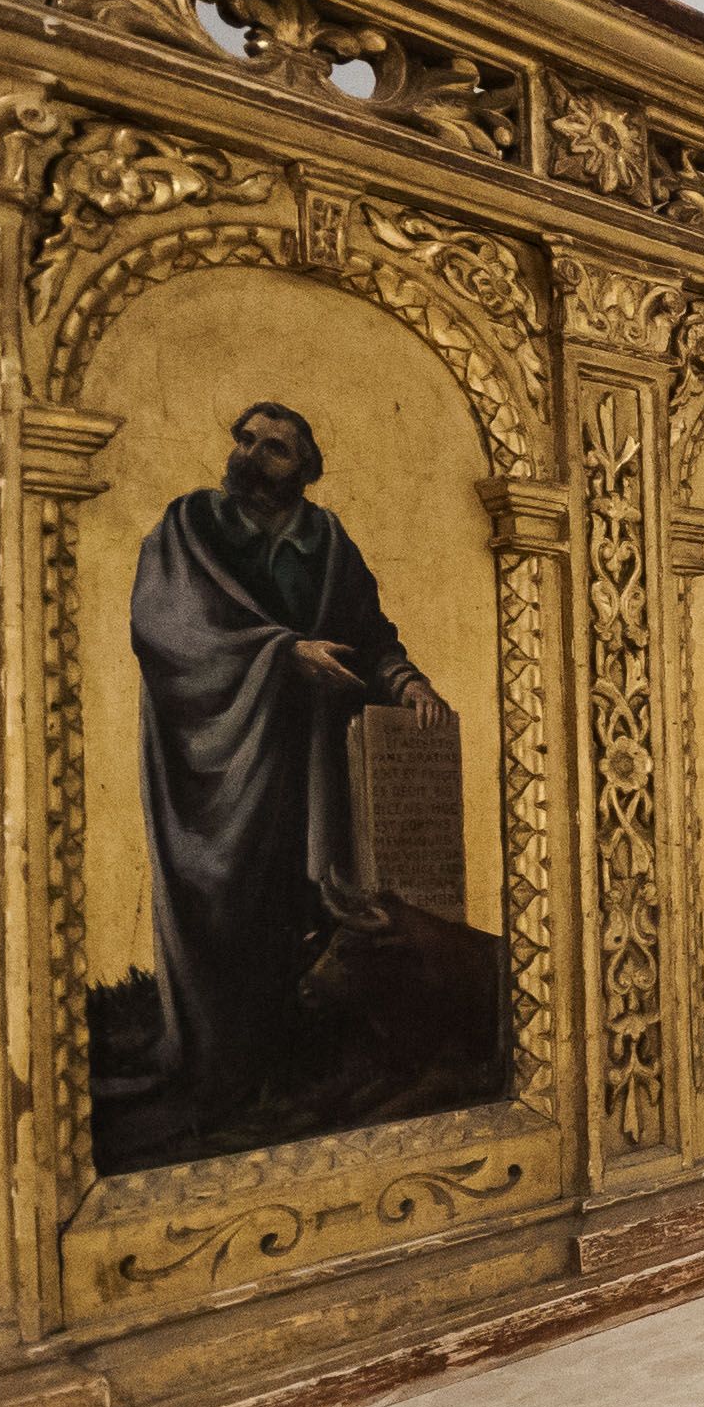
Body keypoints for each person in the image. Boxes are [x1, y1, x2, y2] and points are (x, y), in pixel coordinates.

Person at [120, 401, 451, 1105]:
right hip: (218, 763)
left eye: (274, 448)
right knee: (226, 904)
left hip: (306, 767)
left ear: (304, 468)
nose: (250, 454)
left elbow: (369, 633)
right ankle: (216, 1073)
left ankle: (291, 1073)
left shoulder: (327, 540)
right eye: (245, 439)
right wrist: (280, 652)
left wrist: (406, 680)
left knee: (307, 903)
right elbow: (164, 627)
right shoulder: (189, 527)